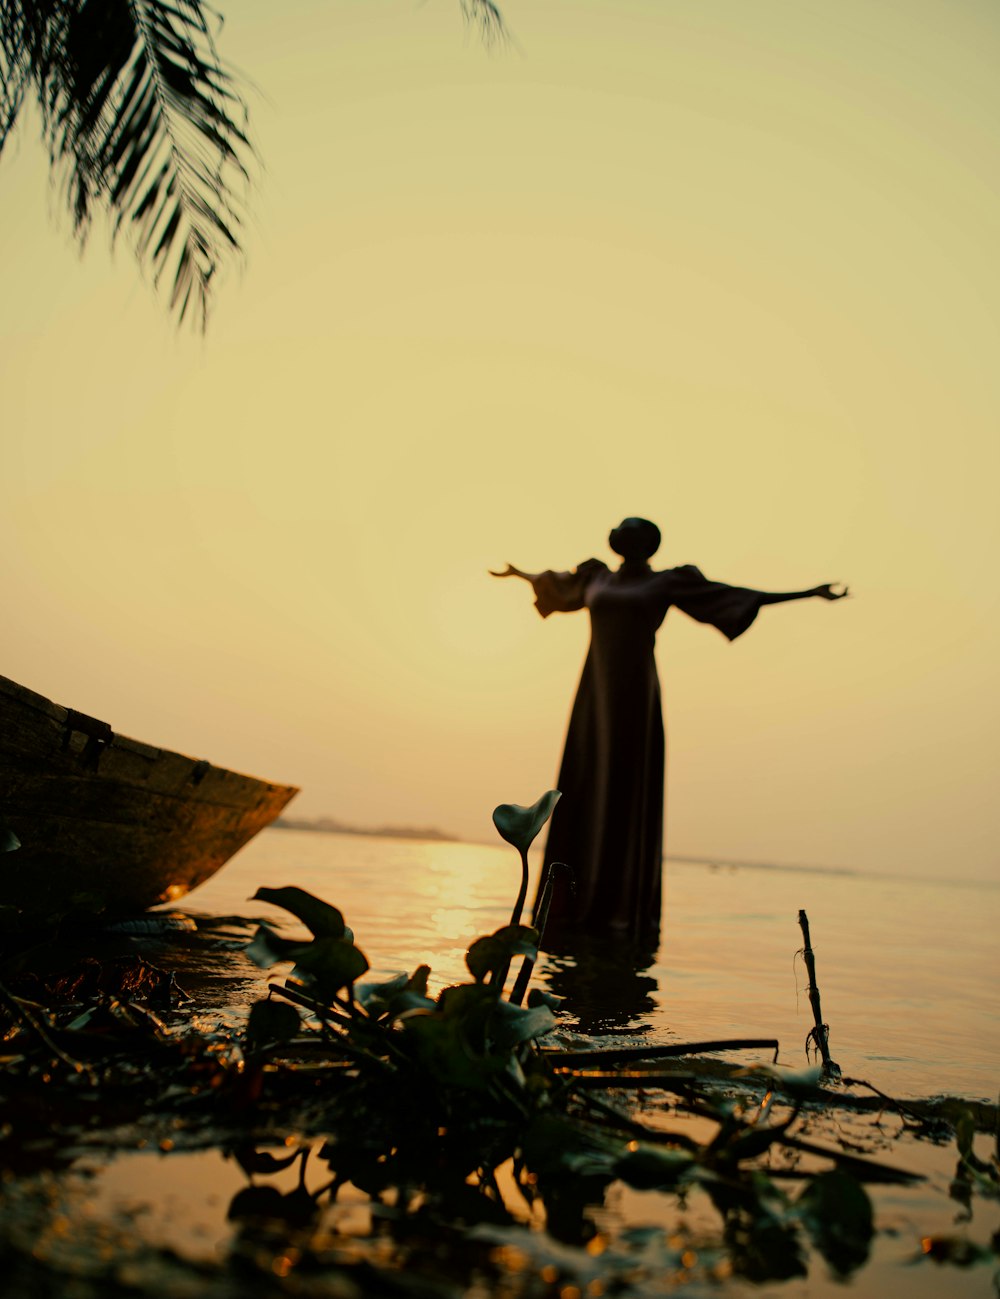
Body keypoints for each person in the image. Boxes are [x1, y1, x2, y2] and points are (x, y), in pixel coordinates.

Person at [491, 517, 848, 948]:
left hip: (635, 701)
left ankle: (619, 917)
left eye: (634, 529)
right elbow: (555, 583)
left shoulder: (669, 582)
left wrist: (809, 593)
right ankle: (566, 913)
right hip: (593, 698)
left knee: (624, 792)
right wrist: (518, 574)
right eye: (622, 526)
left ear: (648, 543)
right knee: (582, 785)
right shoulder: (595, 576)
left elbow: (734, 596)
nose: (624, 531)